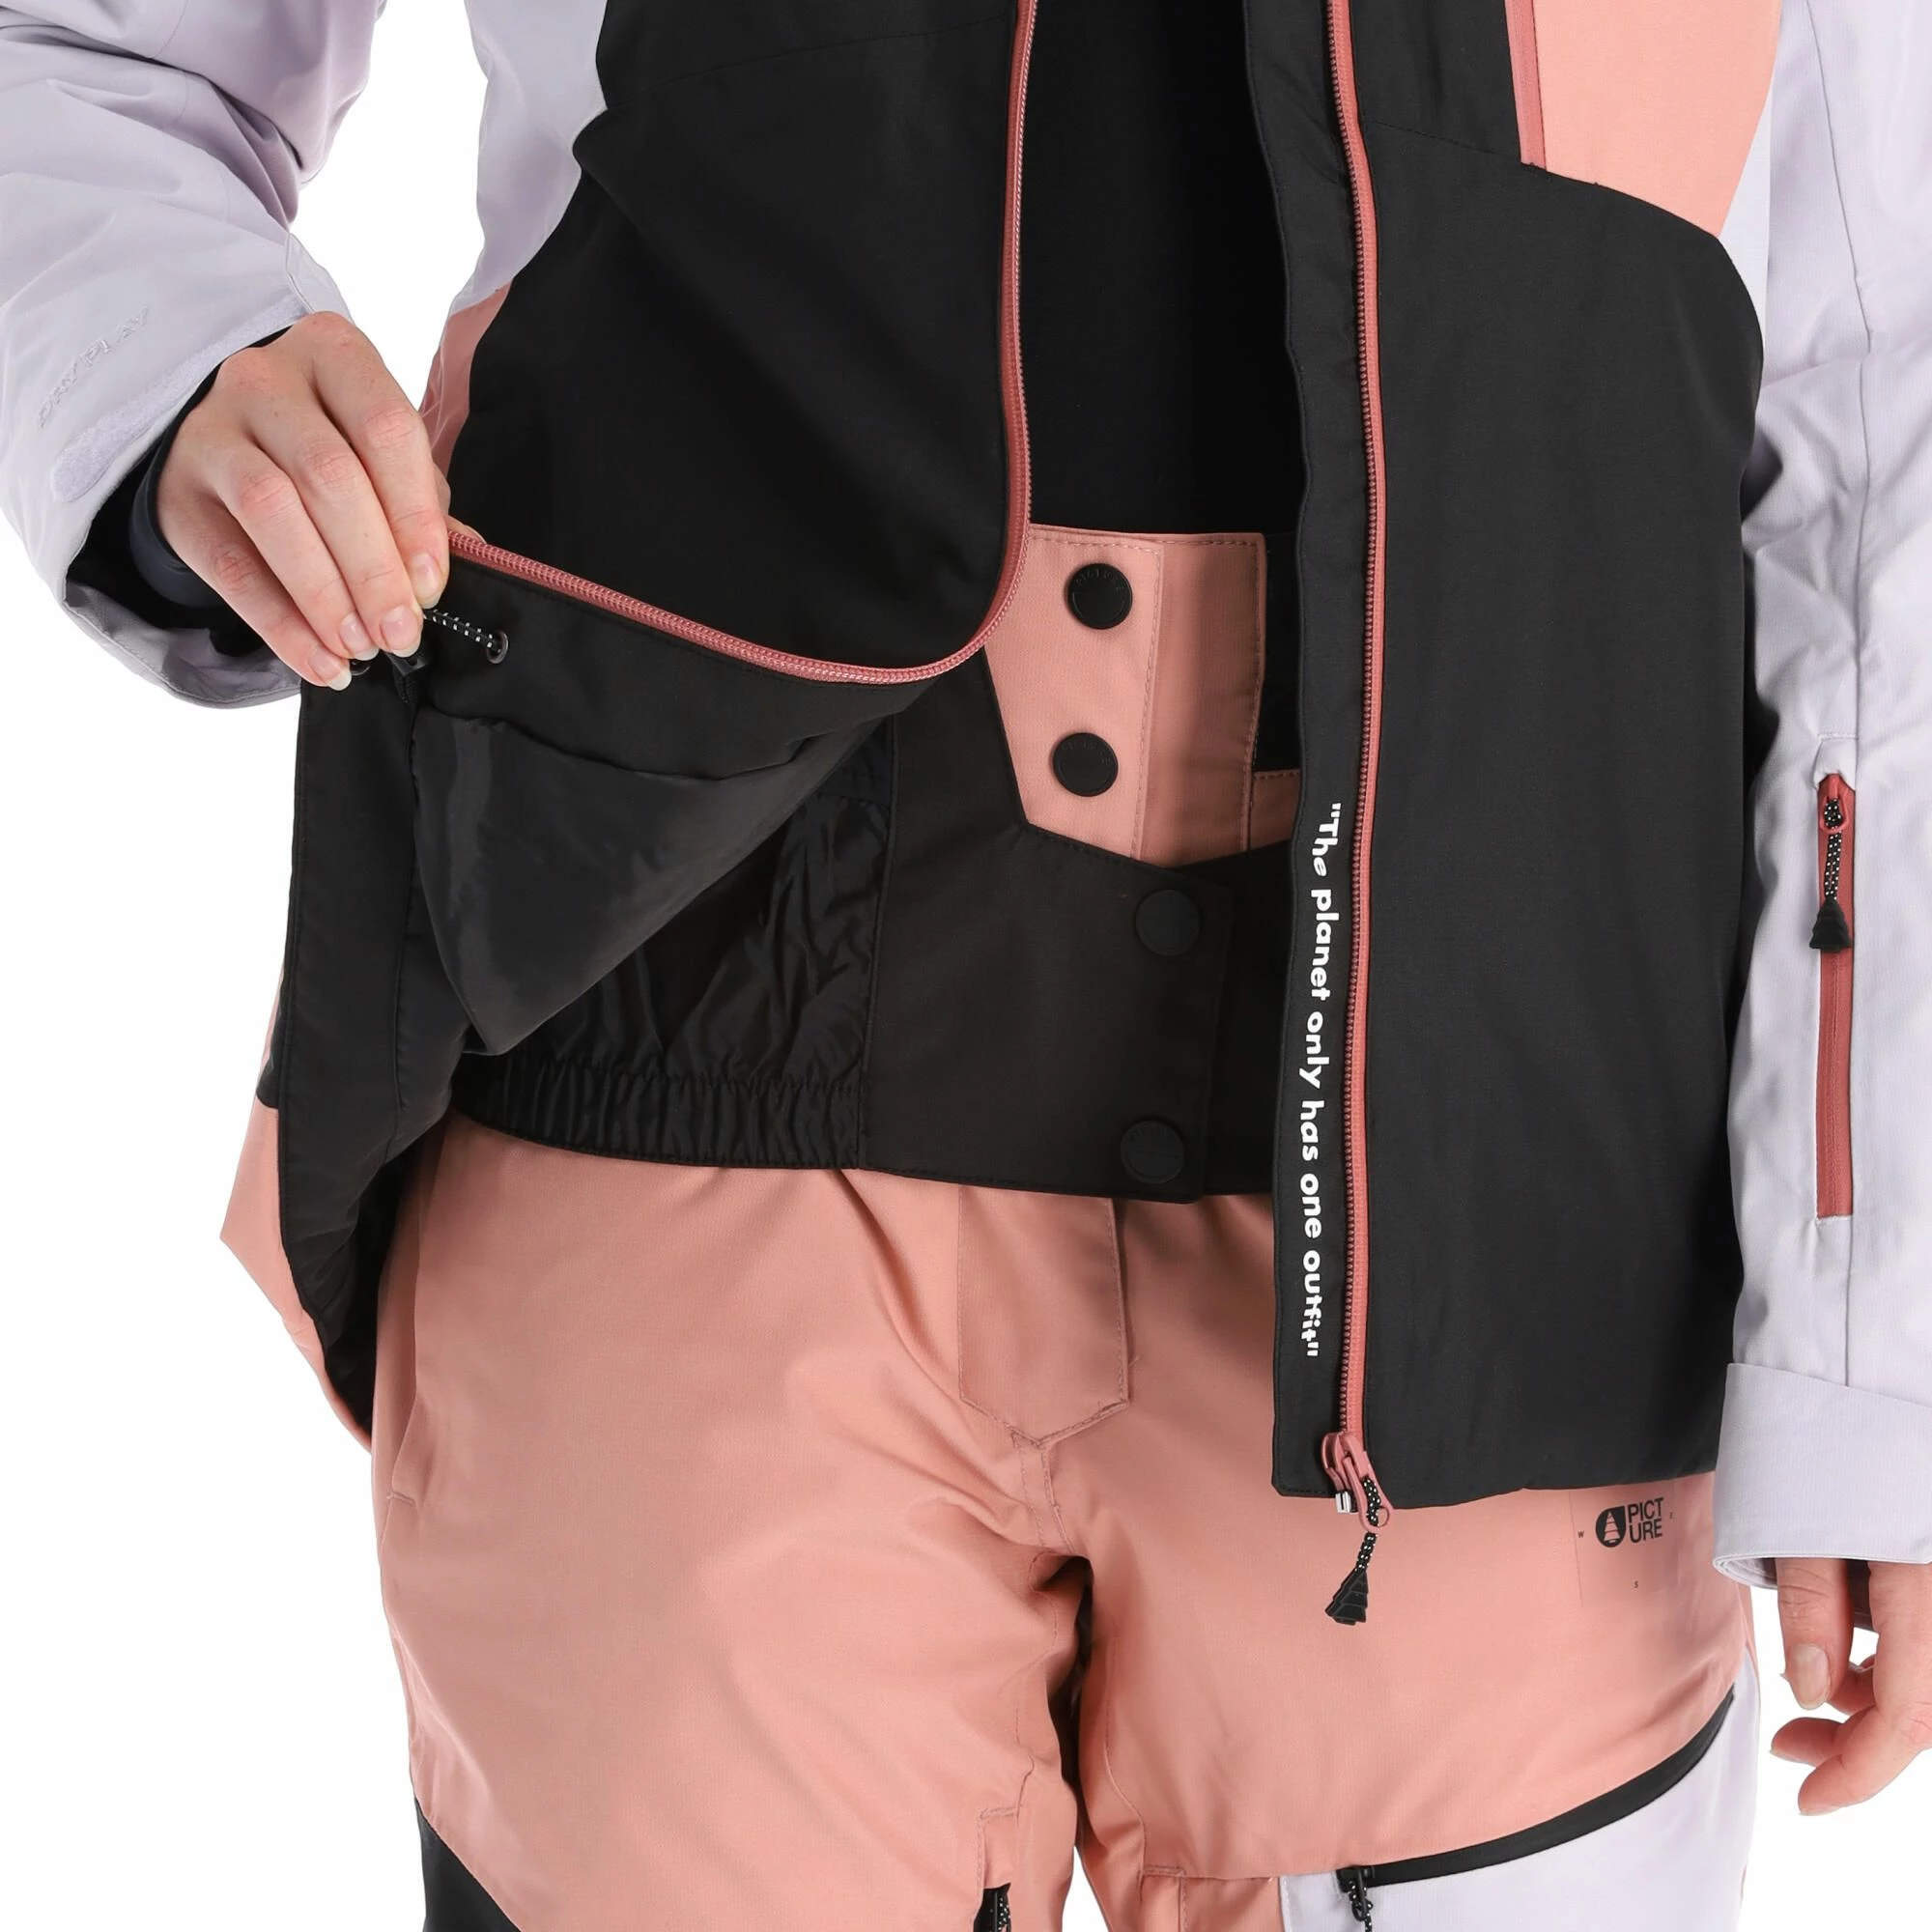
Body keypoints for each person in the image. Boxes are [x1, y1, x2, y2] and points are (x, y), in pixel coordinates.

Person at [3, 0, 1928, 1925]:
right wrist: (185, 369)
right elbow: (88, 62)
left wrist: (1878, 1349)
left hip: (1495, 1177)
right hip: (676, 1043)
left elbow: (1876, 410)